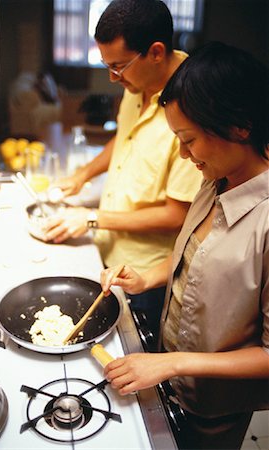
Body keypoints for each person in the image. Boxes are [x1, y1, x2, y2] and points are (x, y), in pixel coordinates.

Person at [100, 41, 269, 450]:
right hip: (169, 376)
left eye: (189, 140)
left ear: (239, 127)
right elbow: (194, 255)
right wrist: (147, 277)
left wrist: (172, 363)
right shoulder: (216, 178)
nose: (183, 153)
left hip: (211, 403)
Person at [42, 0, 202, 345]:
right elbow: (125, 137)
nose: (113, 78)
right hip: (110, 251)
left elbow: (178, 214)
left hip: (145, 274)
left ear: (156, 52)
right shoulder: (138, 84)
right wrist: (84, 173)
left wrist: (91, 218)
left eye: (119, 67)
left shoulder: (191, 106)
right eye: (106, 65)